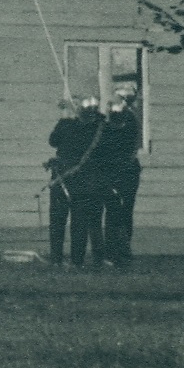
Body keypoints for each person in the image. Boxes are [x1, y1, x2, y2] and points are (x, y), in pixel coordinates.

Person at [85, 86, 145, 266]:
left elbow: (123, 141)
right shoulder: (119, 120)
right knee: (116, 212)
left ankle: (119, 252)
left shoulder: (129, 119)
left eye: (122, 100)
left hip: (123, 171)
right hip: (118, 171)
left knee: (120, 213)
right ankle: (115, 252)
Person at [47, 97, 102, 267]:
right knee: (72, 221)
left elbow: (53, 141)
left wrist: (66, 116)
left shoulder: (88, 127)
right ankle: (70, 260)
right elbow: (53, 141)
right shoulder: (94, 127)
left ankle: (60, 259)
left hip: (74, 176)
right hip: (70, 177)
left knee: (67, 222)